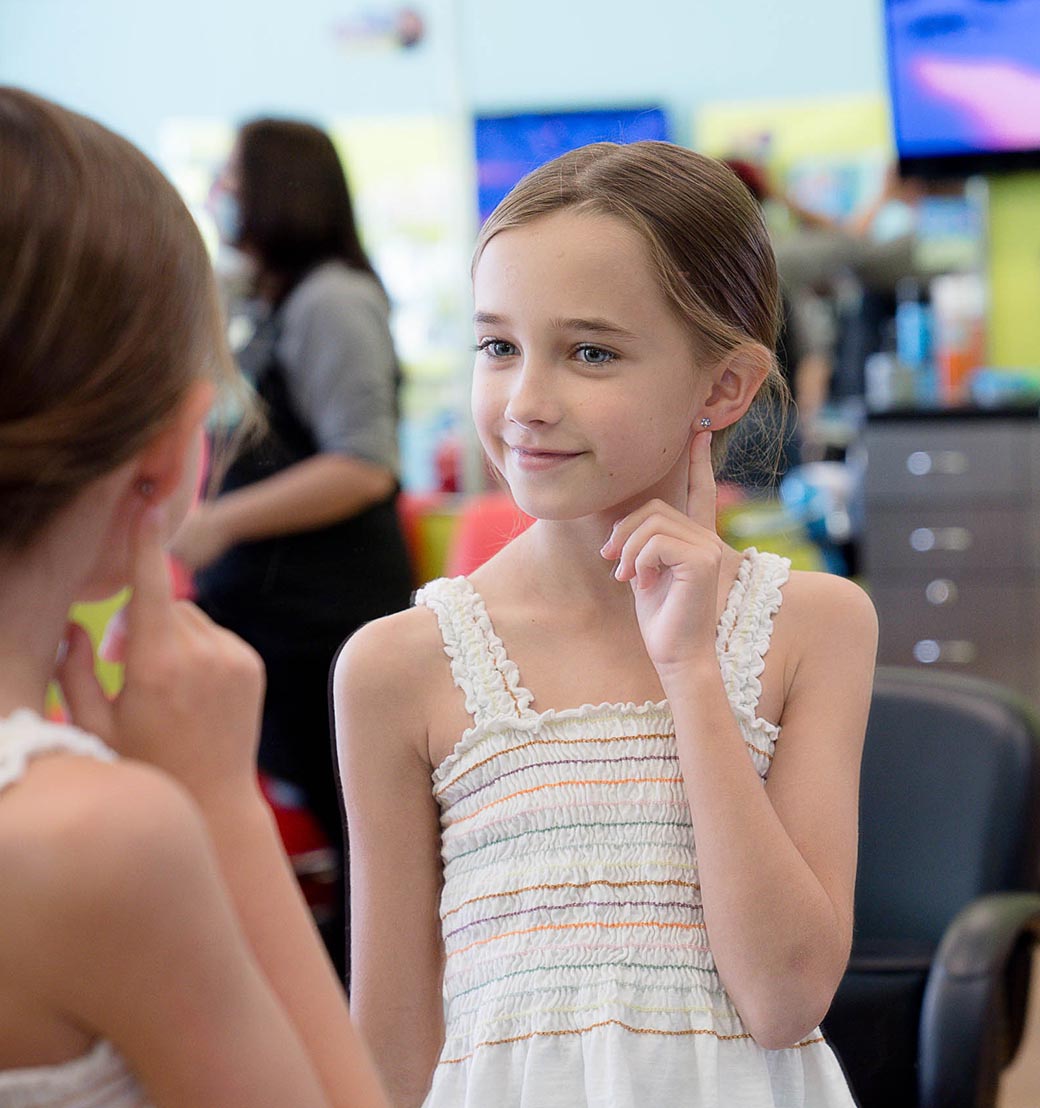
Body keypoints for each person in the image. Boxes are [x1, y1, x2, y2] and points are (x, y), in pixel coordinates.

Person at [335, 141, 879, 1106]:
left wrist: (693, 675)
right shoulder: (397, 667)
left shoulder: (816, 626)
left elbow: (784, 997)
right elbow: (391, 1042)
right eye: (498, 346)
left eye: (590, 352)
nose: (526, 404)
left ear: (723, 387)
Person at [0, 87, 387, 1108]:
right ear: (175, 451)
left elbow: (365, 459)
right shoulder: (96, 842)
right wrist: (217, 805)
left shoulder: (326, 299)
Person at [172, 118, 414, 977]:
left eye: (232, 178)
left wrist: (221, 522)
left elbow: (363, 464)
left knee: (360, 832)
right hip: (271, 613)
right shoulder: (268, 302)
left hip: (326, 616)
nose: (217, 195)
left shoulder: (333, 301)